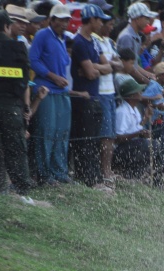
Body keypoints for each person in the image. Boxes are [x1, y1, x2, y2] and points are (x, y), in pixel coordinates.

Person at [0, 9, 33, 195]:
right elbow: (23, 81)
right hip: (12, 107)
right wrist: (24, 106)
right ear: (7, 27)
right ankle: (22, 192)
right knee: (16, 150)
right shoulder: (19, 48)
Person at [29, 3, 73, 185]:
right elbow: (33, 60)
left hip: (61, 92)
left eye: (66, 21)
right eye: (60, 20)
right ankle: (43, 173)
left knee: (62, 133)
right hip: (45, 90)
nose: (64, 24)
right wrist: (53, 76)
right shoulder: (42, 35)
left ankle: (60, 172)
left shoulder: (62, 39)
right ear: (52, 19)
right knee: (46, 132)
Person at [70, 4, 113, 188]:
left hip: (94, 96)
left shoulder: (94, 41)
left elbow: (109, 67)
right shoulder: (79, 42)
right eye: (99, 19)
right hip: (83, 99)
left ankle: (92, 177)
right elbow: (90, 73)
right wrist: (96, 69)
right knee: (86, 141)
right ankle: (90, 179)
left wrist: (95, 68)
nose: (102, 23)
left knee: (93, 140)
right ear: (92, 20)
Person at [92, 11, 122, 184]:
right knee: (104, 133)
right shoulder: (95, 40)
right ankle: (103, 170)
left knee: (110, 133)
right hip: (100, 92)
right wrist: (110, 65)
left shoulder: (109, 42)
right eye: (109, 24)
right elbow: (109, 65)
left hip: (111, 91)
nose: (111, 28)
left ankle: (108, 169)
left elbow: (119, 64)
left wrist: (109, 65)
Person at [114, 78, 153, 178]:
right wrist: (138, 134)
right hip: (120, 150)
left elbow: (136, 128)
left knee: (155, 144)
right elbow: (118, 138)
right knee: (145, 144)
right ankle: (131, 174)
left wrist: (145, 119)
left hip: (132, 145)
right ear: (132, 96)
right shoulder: (122, 112)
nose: (141, 93)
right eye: (138, 92)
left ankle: (150, 174)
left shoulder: (134, 109)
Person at [117, 2, 158, 84]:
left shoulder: (136, 36)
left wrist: (149, 75)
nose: (148, 22)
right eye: (146, 18)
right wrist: (148, 82)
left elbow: (134, 64)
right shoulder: (127, 37)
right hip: (126, 82)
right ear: (137, 18)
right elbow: (128, 67)